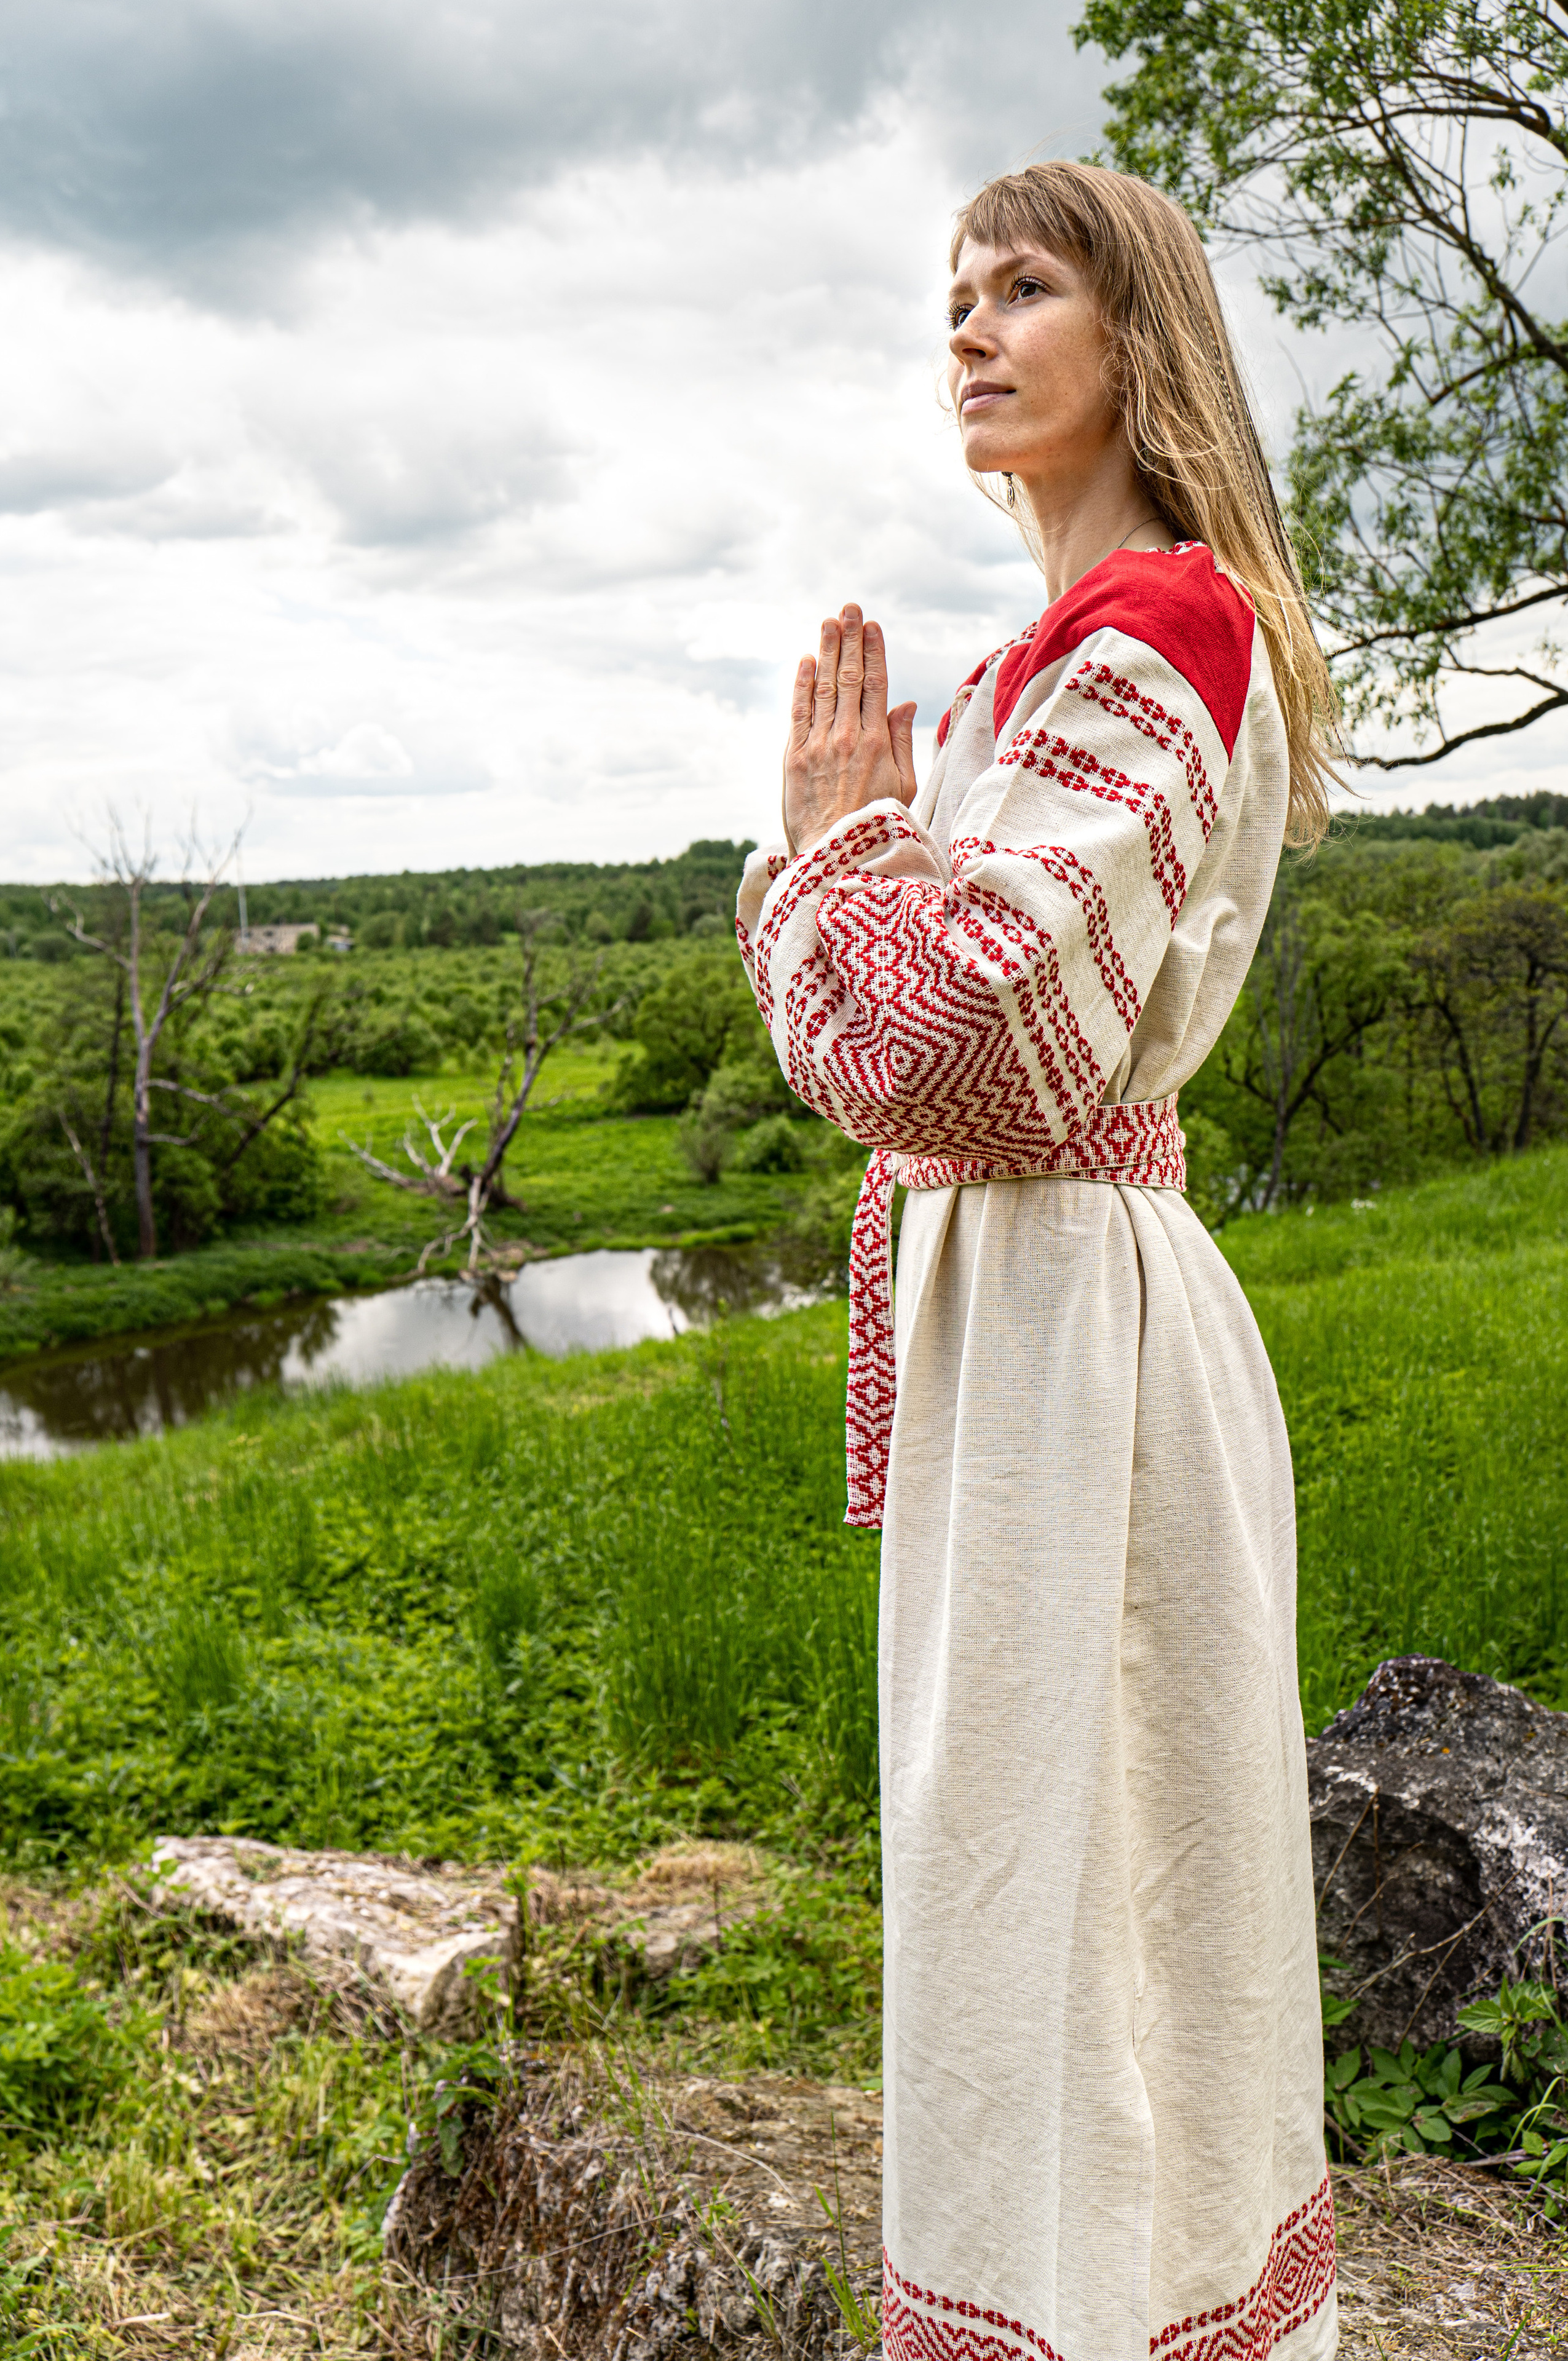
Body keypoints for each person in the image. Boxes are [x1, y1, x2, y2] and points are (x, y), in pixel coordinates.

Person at [735, 162, 1338, 2360]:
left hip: (1081, 1312)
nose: (971, 331)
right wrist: (857, 878)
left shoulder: (1165, 624)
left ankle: (1123, 2315)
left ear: (1137, 334)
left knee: (1108, 1873)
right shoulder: (1031, 668)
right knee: (1021, 1880)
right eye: (955, 298)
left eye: (1023, 288)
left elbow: (945, 1043)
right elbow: (883, 1045)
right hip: (1010, 1308)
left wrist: (838, 854)